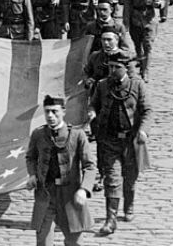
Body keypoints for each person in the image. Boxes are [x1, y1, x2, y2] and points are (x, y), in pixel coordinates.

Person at [88, 59, 149, 233]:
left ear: (126, 68)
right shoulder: (102, 85)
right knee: (112, 180)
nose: (112, 70)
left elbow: (147, 110)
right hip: (109, 140)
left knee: (129, 178)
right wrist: (92, 112)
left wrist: (143, 131)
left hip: (131, 141)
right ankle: (110, 220)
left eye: (117, 67)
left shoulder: (137, 86)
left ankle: (128, 206)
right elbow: (94, 103)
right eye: (110, 67)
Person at [26, 94, 95, 246]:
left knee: (74, 242)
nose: (50, 116)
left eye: (54, 111)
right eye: (47, 111)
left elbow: (89, 166)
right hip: (46, 194)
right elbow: (30, 157)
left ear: (63, 111)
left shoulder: (77, 135)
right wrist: (32, 175)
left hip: (69, 196)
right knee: (43, 241)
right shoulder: (38, 134)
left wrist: (84, 189)